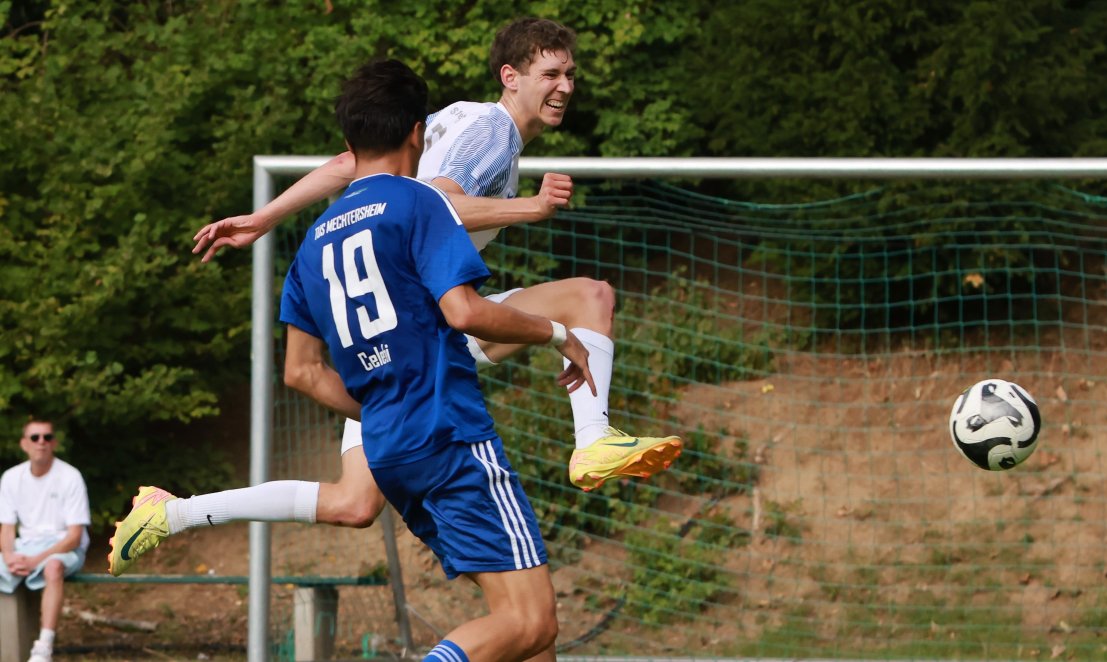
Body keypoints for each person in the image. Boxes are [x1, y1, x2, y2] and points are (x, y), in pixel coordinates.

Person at [107, 18, 681, 576]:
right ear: (511, 76)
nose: (565, 87)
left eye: (570, 74)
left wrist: (263, 218)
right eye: (551, 73)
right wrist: (529, 207)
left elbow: (350, 163)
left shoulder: (448, 120)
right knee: (589, 298)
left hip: (382, 334)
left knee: (354, 504)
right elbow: (433, 203)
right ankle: (593, 439)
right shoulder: (494, 132)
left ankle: (173, 512)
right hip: (424, 323)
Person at [159, 58, 582, 661]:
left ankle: (184, 511)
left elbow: (300, 372)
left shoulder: (314, 245)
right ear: (418, 132)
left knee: (515, 631)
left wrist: (382, 410)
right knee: (533, 621)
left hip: (388, 446)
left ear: (348, 141)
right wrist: (556, 335)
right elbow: (464, 312)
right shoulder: (420, 204)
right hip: (449, 435)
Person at [1, 420, 91, 662]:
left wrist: (35, 560)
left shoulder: (71, 477)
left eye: (47, 437)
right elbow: (7, 529)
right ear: (23, 444)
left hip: (62, 547)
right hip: (25, 547)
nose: (41, 442)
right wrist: (9, 556)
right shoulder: (10, 478)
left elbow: (74, 536)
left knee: (53, 567)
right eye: (35, 437)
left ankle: (44, 647)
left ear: (54, 443)